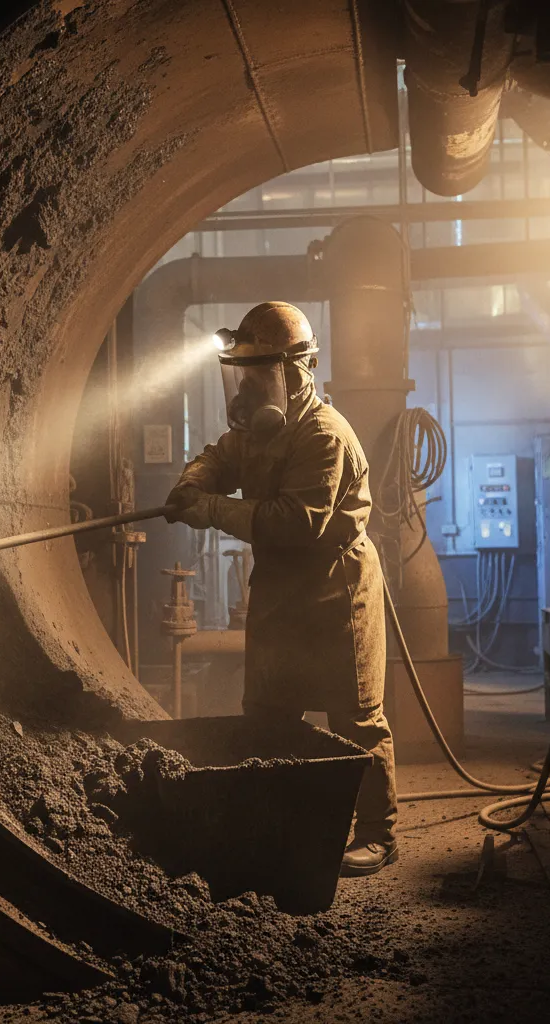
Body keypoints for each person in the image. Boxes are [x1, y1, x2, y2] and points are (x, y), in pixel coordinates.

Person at [165, 301, 398, 876]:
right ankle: (277, 825)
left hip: (335, 589)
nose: (246, 388)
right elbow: (216, 458)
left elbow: (295, 522)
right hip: (279, 588)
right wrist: (191, 485)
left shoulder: (325, 436)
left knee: (356, 718)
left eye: (260, 373)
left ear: (296, 373)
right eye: (242, 373)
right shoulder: (254, 431)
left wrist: (211, 509)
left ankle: (378, 832)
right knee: (268, 715)